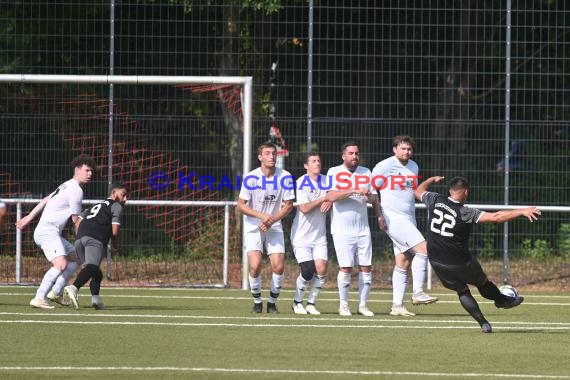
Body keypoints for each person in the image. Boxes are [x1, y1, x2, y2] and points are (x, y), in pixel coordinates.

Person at [415, 176, 540, 333]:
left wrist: (431, 180)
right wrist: (522, 211)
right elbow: (496, 217)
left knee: (462, 291)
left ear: (449, 191)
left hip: (436, 260)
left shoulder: (435, 200)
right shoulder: (465, 212)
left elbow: (418, 191)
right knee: (482, 283)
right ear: (466, 192)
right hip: (461, 261)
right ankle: (502, 300)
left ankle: (483, 323)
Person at [16, 154, 96, 309]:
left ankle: (56, 292)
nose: (90, 174)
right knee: (61, 263)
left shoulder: (67, 185)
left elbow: (47, 198)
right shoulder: (76, 190)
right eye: (87, 170)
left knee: (77, 259)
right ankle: (39, 297)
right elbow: (76, 220)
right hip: (47, 232)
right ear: (77, 170)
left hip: (50, 232)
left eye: (91, 171)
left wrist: (29, 217)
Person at [372, 135, 438, 317]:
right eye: (403, 148)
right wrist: (379, 215)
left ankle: (397, 306)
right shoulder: (385, 166)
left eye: (409, 149)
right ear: (395, 149)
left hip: (409, 218)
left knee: (403, 261)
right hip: (392, 218)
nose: (406, 152)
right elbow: (371, 191)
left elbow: (413, 192)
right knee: (423, 249)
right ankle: (417, 292)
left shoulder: (413, 166)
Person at [237, 141, 295, 313]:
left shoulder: (285, 176)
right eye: (268, 153)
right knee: (255, 266)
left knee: (278, 266)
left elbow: (289, 205)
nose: (272, 156)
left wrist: (271, 220)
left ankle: (271, 302)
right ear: (260, 157)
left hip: (274, 226)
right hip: (254, 226)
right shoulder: (251, 177)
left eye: (274, 153)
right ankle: (257, 302)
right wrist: (261, 216)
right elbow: (240, 205)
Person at [326, 141, 383, 317]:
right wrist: (353, 190)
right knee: (346, 268)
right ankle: (343, 305)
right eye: (350, 153)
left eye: (356, 153)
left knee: (366, 267)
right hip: (342, 229)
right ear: (343, 156)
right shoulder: (334, 172)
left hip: (363, 228)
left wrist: (375, 207)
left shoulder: (366, 172)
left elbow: (374, 199)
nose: (354, 156)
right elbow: (331, 195)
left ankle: (363, 305)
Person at [63, 184, 128, 310]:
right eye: (123, 194)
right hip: (95, 240)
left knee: (96, 272)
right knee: (92, 267)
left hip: (80, 240)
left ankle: (96, 300)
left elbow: (78, 222)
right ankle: (73, 288)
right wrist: (114, 247)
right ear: (114, 193)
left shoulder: (96, 205)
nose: (125, 199)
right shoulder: (116, 206)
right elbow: (115, 231)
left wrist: (81, 236)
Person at [290, 152, 332, 315]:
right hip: (301, 236)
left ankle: (311, 303)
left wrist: (329, 200)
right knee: (307, 270)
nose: (317, 163)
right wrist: (324, 198)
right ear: (306, 166)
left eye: (319, 161)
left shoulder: (326, 180)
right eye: (313, 161)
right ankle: (296, 302)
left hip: (319, 235)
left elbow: (333, 197)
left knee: (321, 269)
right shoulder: (302, 182)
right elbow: (305, 208)